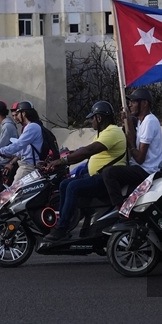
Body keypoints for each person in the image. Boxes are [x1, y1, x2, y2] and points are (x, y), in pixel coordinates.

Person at [42, 101, 126, 243]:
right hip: (97, 176)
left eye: (92, 118)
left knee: (73, 187)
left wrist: (61, 161)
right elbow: (83, 150)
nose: (91, 121)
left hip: (105, 179)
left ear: (99, 118)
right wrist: (57, 160)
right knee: (64, 184)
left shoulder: (113, 132)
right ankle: (64, 225)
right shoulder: (103, 133)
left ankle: (62, 228)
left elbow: (88, 151)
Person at [102, 88, 162, 206]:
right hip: (140, 167)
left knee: (109, 173)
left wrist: (130, 143)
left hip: (146, 170)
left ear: (144, 103)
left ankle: (119, 210)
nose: (130, 105)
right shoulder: (141, 121)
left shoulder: (150, 121)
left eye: (134, 102)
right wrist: (128, 120)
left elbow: (140, 158)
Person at [0, 101, 43, 183]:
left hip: (27, 166)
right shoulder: (29, 127)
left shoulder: (32, 127)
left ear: (24, 114)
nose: (16, 117)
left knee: (13, 193)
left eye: (18, 114)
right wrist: (10, 157)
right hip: (25, 164)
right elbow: (22, 149)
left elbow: (18, 145)